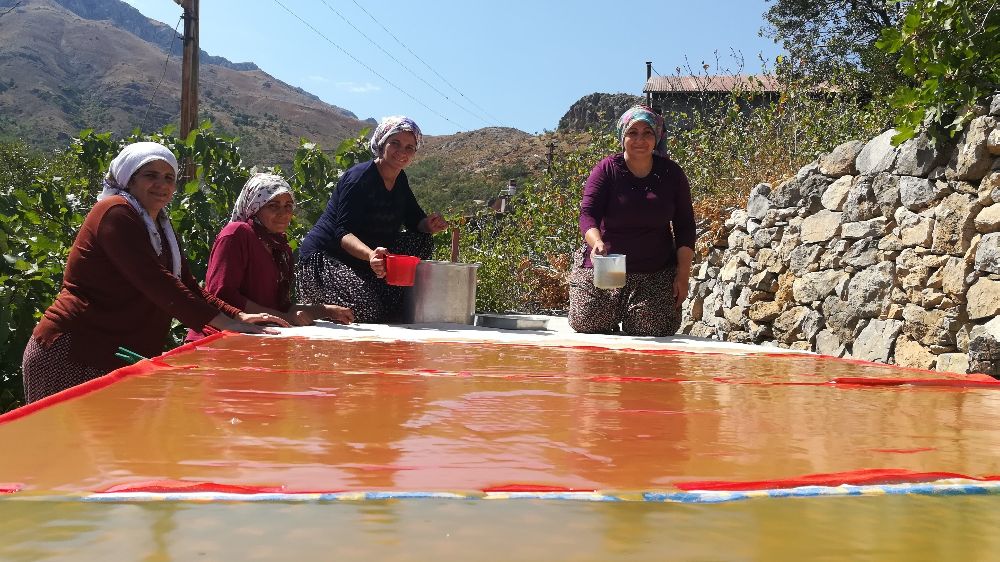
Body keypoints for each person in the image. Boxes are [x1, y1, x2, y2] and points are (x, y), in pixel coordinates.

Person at [22, 142, 287, 403]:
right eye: (151, 175)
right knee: (68, 444)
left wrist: (237, 315)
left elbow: (186, 284)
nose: (162, 184)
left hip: (115, 351)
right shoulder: (115, 212)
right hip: (76, 350)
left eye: (169, 177)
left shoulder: (159, 225)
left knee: (114, 443)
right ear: (130, 179)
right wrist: (227, 324)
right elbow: (157, 283)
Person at [296, 116, 449, 323]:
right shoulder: (359, 178)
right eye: (395, 143)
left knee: (422, 240)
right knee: (367, 310)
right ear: (381, 143)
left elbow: (415, 221)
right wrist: (370, 255)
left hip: (364, 262)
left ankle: (385, 293)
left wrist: (428, 225)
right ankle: (320, 308)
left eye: (409, 147)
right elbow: (343, 234)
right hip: (326, 259)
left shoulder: (400, 180)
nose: (402, 152)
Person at [568, 105, 696, 337]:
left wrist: (683, 276)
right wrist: (595, 242)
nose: (640, 140)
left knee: (652, 330)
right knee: (587, 323)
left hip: (654, 271)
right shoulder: (606, 170)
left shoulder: (672, 174)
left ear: (657, 138)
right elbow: (588, 214)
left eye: (647, 133)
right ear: (622, 136)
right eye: (632, 133)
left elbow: (685, 225)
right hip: (607, 268)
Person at [188, 173, 354, 340]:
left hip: (257, 337)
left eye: (288, 206)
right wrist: (283, 318)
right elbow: (223, 295)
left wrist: (326, 311)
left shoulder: (281, 248)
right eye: (273, 206)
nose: (283, 213)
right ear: (255, 207)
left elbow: (280, 306)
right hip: (217, 339)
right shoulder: (237, 234)